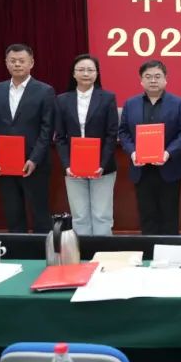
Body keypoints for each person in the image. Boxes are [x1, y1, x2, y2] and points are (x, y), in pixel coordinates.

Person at [0, 44, 56, 233]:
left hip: (34, 164)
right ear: (6, 63)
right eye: (12, 61)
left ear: (31, 63)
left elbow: (47, 129)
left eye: (21, 61)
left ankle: (43, 249)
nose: (17, 64)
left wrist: (34, 159)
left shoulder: (45, 91)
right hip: (4, 164)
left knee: (40, 213)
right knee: (12, 213)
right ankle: (18, 248)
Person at [117, 60, 181, 235]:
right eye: (148, 76)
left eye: (157, 76)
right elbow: (123, 132)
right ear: (141, 80)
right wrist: (133, 152)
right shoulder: (130, 103)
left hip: (169, 168)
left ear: (165, 79)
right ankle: (149, 250)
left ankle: (170, 251)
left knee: (169, 217)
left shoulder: (178, 103)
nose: (153, 80)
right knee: (147, 216)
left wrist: (168, 153)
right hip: (141, 170)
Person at [53, 54, 119, 236]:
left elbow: (111, 135)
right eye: (81, 70)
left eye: (90, 70)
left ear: (97, 74)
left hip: (102, 167)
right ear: (73, 74)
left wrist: (102, 164)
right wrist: (67, 165)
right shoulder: (62, 100)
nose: (86, 74)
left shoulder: (107, 98)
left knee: (102, 215)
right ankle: (83, 252)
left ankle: (102, 252)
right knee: (79, 216)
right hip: (73, 167)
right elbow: (60, 137)